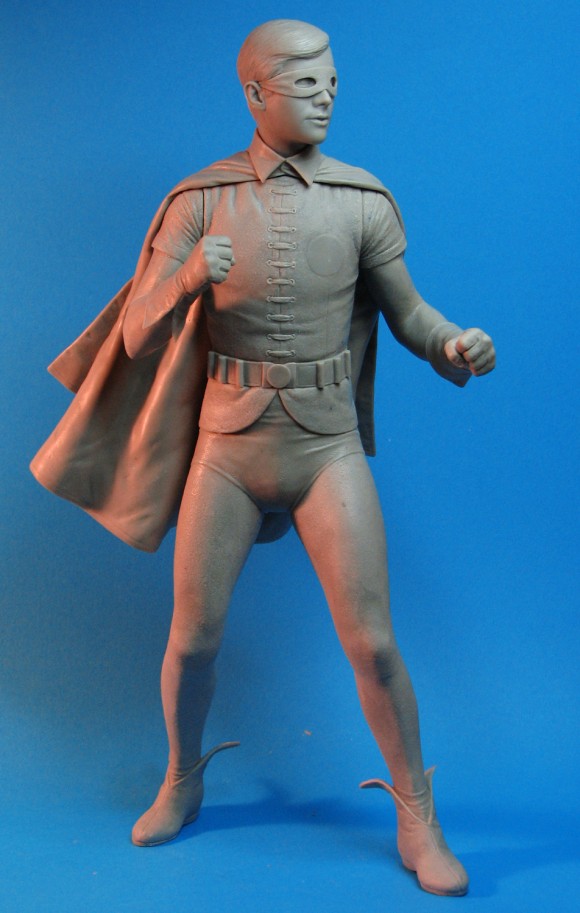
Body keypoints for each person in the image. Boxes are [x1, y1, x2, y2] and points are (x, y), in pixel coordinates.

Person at [31, 19, 495, 896]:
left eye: (333, 81)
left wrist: (450, 345)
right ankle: (182, 777)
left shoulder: (362, 200)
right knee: (194, 637)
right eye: (306, 82)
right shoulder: (199, 200)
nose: (327, 96)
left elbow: (409, 313)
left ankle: (417, 812)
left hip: (326, 446)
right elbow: (134, 334)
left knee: (373, 641)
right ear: (255, 93)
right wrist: (185, 279)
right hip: (228, 448)